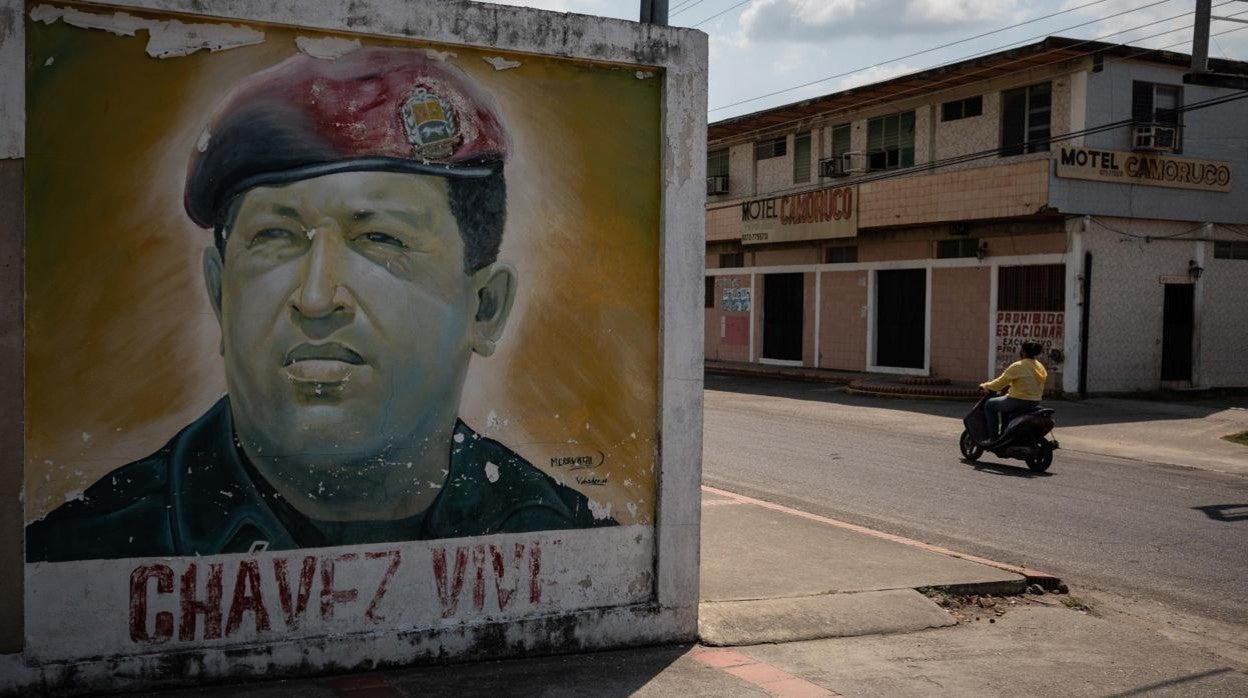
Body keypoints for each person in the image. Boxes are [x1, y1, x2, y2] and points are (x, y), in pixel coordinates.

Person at [27, 48, 613, 563]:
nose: (315, 298)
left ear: (485, 308)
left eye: (380, 240)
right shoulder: (81, 550)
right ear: (220, 293)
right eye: (275, 238)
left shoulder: (567, 537)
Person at [979, 341, 1049, 443]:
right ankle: (1005, 432)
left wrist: (984, 386)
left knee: (989, 405)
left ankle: (993, 438)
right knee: (1002, 403)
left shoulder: (1019, 365)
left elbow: (998, 384)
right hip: (1034, 402)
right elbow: (1028, 382)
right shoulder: (1039, 366)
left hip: (1018, 401)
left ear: (1023, 352)